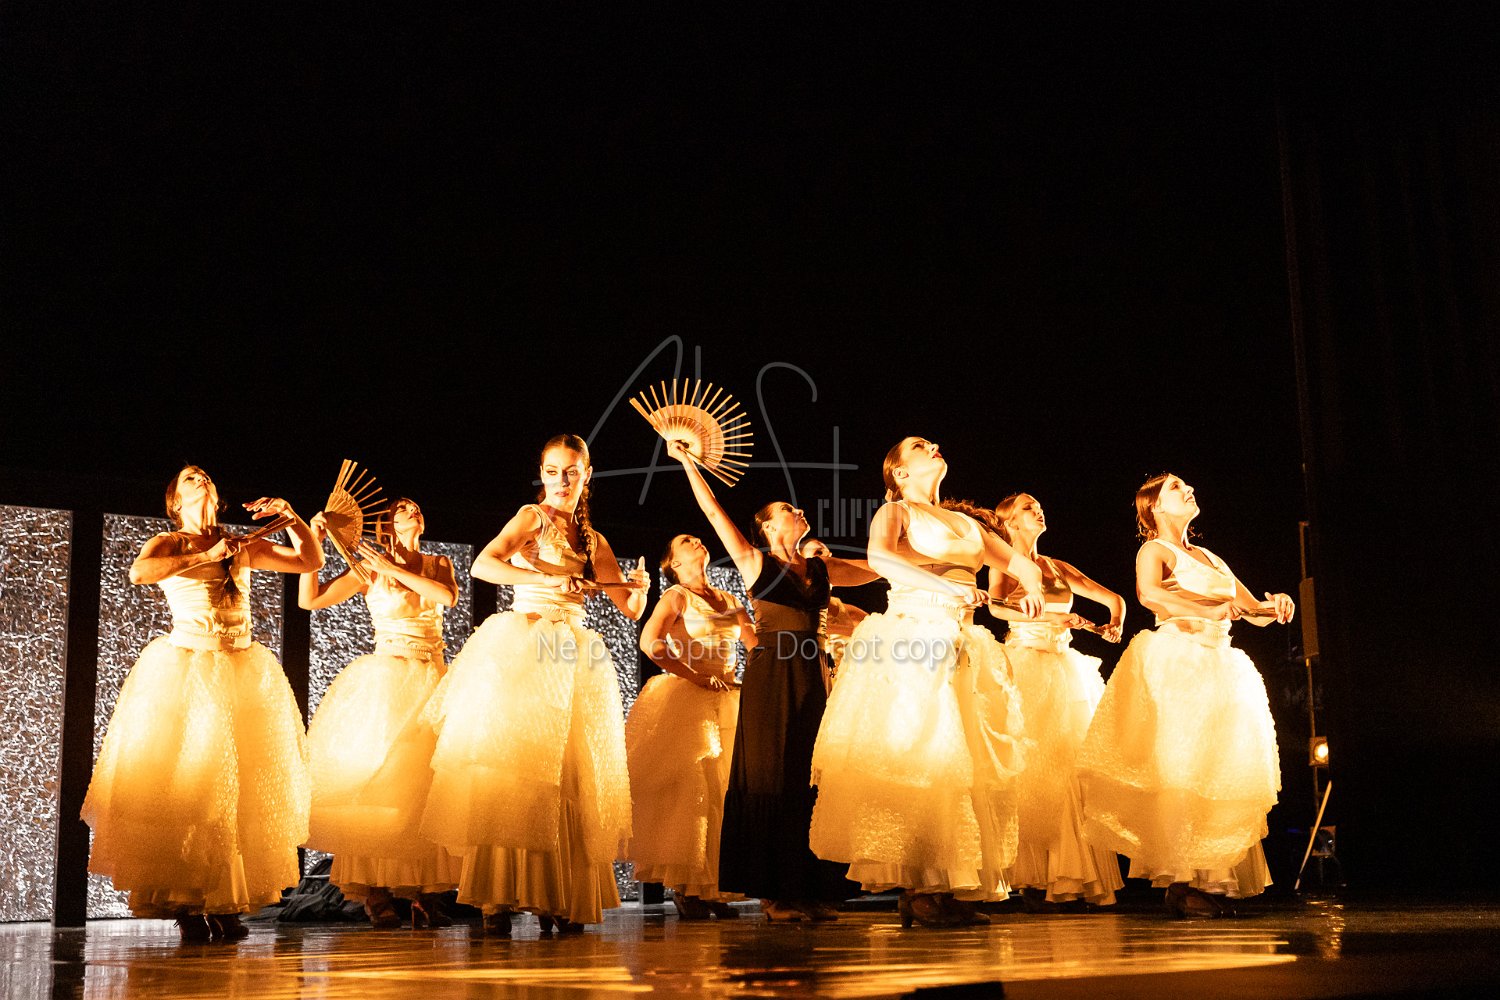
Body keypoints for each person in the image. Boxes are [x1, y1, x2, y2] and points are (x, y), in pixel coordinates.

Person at [810, 437, 1045, 927]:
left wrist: (1032, 587)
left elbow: (1020, 562)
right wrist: (946, 587)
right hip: (914, 637)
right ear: (900, 473)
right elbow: (880, 558)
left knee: (966, 762)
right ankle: (920, 886)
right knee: (925, 758)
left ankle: (949, 884)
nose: (934, 446)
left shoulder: (967, 524)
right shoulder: (896, 512)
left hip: (961, 638)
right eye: (920, 446)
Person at [420, 434, 648, 934]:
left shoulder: (593, 540)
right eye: (552, 471)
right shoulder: (531, 517)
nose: (561, 480)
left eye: (571, 471)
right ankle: (498, 897)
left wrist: (640, 589)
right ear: (542, 473)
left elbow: (628, 608)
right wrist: (547, 580)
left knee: (570, 771)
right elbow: (483, 564)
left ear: (587, 475)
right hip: (526, 643)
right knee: (519, 766)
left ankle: (557, 897)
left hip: (572, 652)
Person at [82, 465, 322, 942]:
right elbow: (139, 573)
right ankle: (188, 903)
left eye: (205, 476)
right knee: (192, 788)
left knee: (240, 791)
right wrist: (207, 555)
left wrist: (292, 517)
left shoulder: (242, 544)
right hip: (191, 669)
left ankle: (225, 900)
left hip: (240, 668)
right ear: (175, 501)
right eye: (190, 478)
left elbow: (307, 561)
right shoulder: (170, 542)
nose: (202, 479)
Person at [667, 439, 878, 922]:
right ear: (766, 527)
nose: (798, 511)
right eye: (787, 509)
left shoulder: (822, 567)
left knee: (810, 774)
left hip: (813, 673)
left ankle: (808, 888)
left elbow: (876, 568)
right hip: (772, 675)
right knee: (771, 774)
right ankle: (772, 895)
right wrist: (687, 464)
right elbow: (713, 512)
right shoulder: (754, 562)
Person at [1076, 473, 1293, 917]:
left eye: (1185, 484)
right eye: (1175, 487)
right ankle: (1180, 880)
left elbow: (1251, 610)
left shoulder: (1211, 557)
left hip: (1219, 664)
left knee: (1216, 769)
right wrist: (1210, 609)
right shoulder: (1155, 550)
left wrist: (1276, 605)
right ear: (1155, 507)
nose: (1187, 488)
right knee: (1182, 767)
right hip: (1178, 660)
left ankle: (1209, 875)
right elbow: (1149, 595)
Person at [299, 496, 460, 928]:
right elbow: (310, 600)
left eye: (416, 507)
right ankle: (375, 888)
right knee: (382, 786)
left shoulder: (438, 563)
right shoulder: (368, 568)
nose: (414, 511)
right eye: (403, 509)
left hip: (433, 678)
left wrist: (394, 570)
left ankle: (424, 890)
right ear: (387, 524)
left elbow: (446, 596)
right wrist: (314, 544)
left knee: (429, 786)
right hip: (389, 678)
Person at [989, 492, 1125, 909]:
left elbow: (1113, 599)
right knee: (1032, 771)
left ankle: (1066, 876)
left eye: (1038, 505)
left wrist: (1112, 623)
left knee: (1071, 770)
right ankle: (1029, 877)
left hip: (1063, 666)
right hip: (1026, 663)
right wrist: (1049, 617)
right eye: (1027, 508)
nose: (1038, 510)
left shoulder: (1057, 567)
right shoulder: (1005, 564)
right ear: (1010, 522)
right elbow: (997, 608)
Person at [626, 533, 755, 919]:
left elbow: (757, 645)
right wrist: (692, 674)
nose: (697, 540)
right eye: (686, 540)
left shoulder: (730, 600)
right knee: (694, 791)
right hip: (690, 695)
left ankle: (715, 887)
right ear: (674, 563)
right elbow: (651, 642)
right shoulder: (676, 597)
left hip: (728, 696)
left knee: (725, 791)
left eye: (697, 538)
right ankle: (688, 887)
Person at [800, 538, 869, 691]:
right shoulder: (796, 608)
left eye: (829, 553)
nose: (827, 557)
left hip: (848, 688)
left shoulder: (846, 610)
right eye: (818, 553)